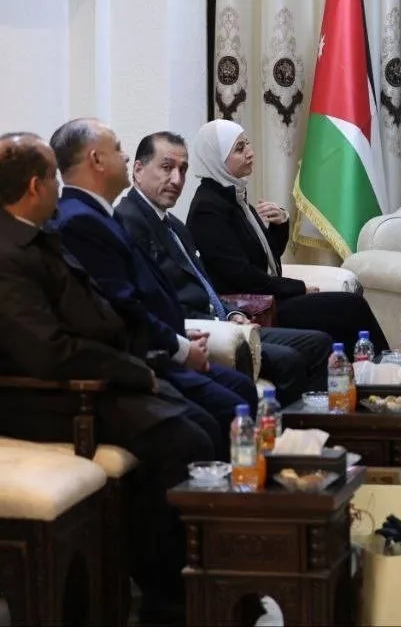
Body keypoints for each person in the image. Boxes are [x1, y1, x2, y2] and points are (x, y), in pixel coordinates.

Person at [0, 132, 214, 626]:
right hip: (48, 398)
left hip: (94, 374)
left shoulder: (36, 233)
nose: (61, 188)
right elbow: (49, 353)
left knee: (200, 423)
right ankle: (169, 599)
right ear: (34, 187)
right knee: (185, 441)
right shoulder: (8, 254)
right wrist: (133, 371)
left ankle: (196, 577)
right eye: (54, 179)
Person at [48, 117, 257, 439]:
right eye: (118, 149)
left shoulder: (100, 215)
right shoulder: (80, 221)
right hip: (141, 361)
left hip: (161, 346)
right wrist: (180, 348)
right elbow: (123, 305)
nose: (126, 157)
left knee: (240, 388)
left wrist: (180, 336)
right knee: (227, 408)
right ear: (96, 159)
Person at [117, 131, 332, 406]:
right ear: (138, 170)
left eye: (182, 169)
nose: (177, 179)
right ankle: (288, 432)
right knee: (290, 359)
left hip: (227, 321)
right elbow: (155, 300)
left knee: (319, 343)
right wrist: (217, 325)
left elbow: (205, 282)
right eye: (167, 167)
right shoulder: (130, 222)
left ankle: (322, 426)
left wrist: (232, 313)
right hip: (201, 331)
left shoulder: (174, 226)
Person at [184, 119, 390, 356]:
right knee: (350, 306)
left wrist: (280, 224)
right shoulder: (208, 209)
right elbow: (241, 276)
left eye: (247, 144)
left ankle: (365, 371)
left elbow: (268, 258)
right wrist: (298, 287)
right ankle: (384, 367)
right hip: (252, 308)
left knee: (346, 309)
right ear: (215, 159)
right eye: (239, 149)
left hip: (268, 298)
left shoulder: (234, 196)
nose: (250, 153)